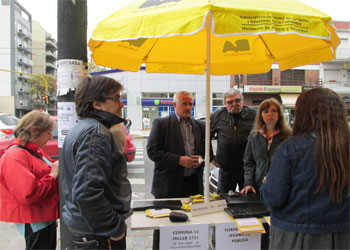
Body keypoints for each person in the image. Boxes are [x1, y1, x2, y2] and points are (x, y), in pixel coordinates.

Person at [260, 88, 350, 249]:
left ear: (303, 114)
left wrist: (266, 184)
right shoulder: (345, 147)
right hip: (342, 235)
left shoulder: (290, 148)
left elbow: (273, 197)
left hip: (296, 236)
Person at [60, 75, 132, 249]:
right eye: (116, 98)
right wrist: (115, 228)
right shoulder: (96, 133)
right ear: (96, 104)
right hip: (98, 232)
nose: (121, 104)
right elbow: (87, 192)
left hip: (87, 226)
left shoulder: (83, 127)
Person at [147, 90, 206, 249]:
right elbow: (152, 152)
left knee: (191, 226)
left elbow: (207, 153)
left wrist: (200, 160)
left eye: (190, 104)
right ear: (174, 105)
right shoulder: (161, 124)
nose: (188, 107)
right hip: (168, 186)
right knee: (164, 227)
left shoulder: (200, 126)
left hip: (193, 185)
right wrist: (179, 160)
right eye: (184, 103)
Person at [0, 110, 59, 250]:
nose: (51, 137)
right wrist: (53, 175)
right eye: (48, 132)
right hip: (35, 220)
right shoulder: (16, 156)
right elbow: (28, 193)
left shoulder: (31, 151)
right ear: (33, 131)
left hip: (43, 217)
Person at [241, 98, 292, 195]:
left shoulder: (289, 135)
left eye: (274, 111)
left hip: (282, 186)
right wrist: (248, 183)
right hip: (258, 186)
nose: (270, 114)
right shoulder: (254, 135)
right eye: (266, 111)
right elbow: (249, 163)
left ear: (279, 114)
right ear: (261, 115)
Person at [210, 88, 256, 193]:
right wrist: (210, 156)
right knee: (223, 199)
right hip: (226, 167)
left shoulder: (254, 115)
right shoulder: (216, 116)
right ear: (225, 104)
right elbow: (206, 138)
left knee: (249, 199)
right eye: (230, 102)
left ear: (242, 101)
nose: (234, 104)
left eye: (237, 100)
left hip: (247, 168)